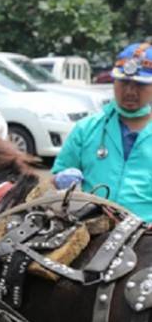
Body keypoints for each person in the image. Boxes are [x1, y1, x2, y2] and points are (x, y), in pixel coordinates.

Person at [52, 42, 152, 223]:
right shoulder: (86, 129)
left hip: (146, 237)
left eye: (139, 85)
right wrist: (59, 180)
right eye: (123, 82)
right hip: (93, 230)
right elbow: (56, 175)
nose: (130, 91)